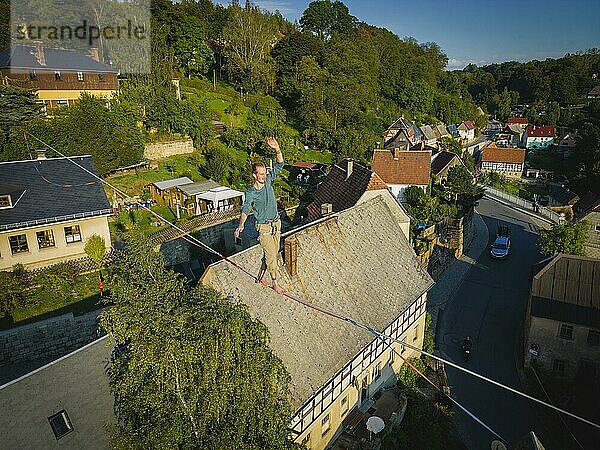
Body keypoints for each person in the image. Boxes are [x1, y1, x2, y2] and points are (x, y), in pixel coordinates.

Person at [235, 137, 285, 294]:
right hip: (263, 227)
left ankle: (260, 276)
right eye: (260, 174)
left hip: (276, 224)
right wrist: (241, 225)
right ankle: (275, 284)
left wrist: (277, 149)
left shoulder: (269, 181)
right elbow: (245, 208)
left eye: (264, 173)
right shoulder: (251, 192)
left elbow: (280, 164)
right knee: (272, 257)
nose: (263, 176)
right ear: (254, 175)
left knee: (273, 252)